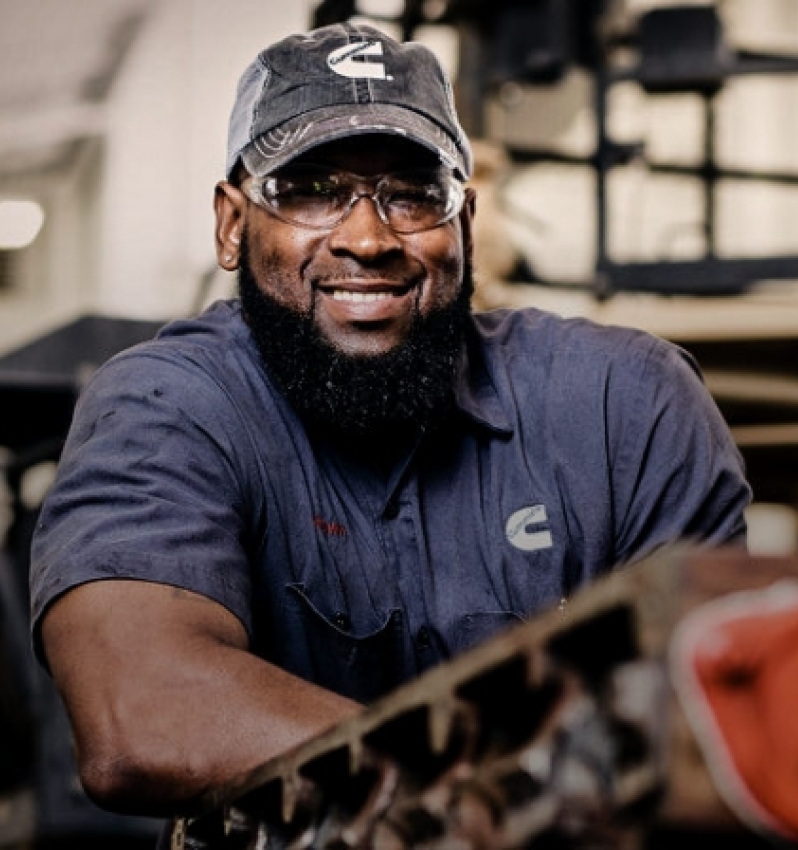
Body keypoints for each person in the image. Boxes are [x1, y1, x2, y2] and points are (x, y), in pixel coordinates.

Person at [29, 22, 751, 817]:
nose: (368, 238)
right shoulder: (172, 404)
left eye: (413, 193)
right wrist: (497, 790)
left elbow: (716, 722)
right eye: (309, 189)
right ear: (233, 226)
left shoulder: (624, 405)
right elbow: (142, 715)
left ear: (465, 225)